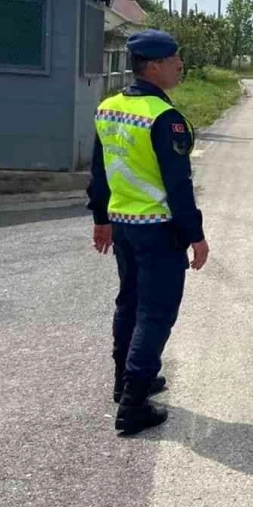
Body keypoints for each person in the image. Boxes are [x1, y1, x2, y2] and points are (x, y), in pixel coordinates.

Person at [86, 29, 209, 435]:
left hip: (123, 225)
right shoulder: (163, 118)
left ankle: (125, 381)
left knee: (130, 304)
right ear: (153, 66)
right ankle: (134, 405)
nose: (180, 65)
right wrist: (196, 235)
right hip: (158, 228)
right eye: (174, 60)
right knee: (155, 313)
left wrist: (101, 218)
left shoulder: (109, 107)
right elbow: (178, 186)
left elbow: (100, 171)